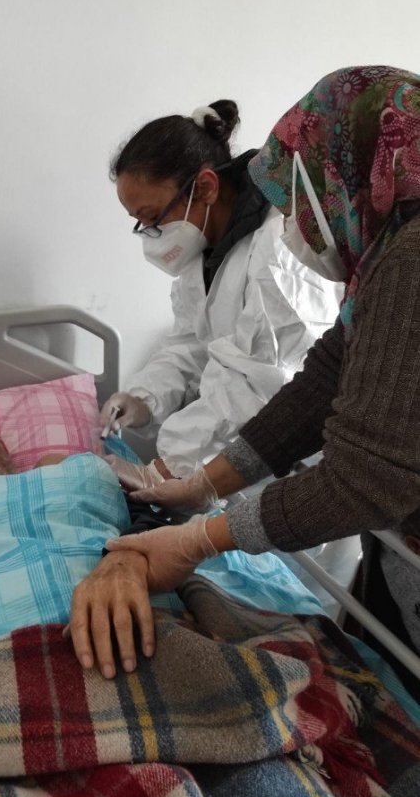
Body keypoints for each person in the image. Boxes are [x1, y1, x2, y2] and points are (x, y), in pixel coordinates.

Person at [69, 66, 420, 688]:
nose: (297, 226)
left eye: (301, 204)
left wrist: (196, 529)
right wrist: (191, 467)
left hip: (341, 496)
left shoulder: (400, 264)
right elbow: (319, 379)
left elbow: (349, 462)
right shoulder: (381, 257)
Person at [100, 101, 342, 477]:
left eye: (153, 217)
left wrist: (169, 467)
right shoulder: (203, 248)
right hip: (231, 458)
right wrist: (142, 398)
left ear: (206, 187)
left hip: (297, 459)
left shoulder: (279, 251)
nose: (151, 235)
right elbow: (192, 344)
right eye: (140, 222)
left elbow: (261, 384)